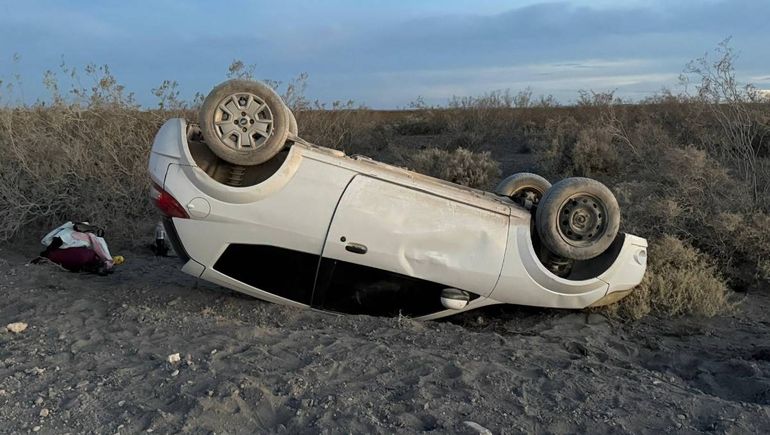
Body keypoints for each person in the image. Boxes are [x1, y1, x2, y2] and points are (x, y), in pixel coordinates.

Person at [40, 222, 115, 275]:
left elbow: (58, 241)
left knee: (86, 256)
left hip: (68, 255)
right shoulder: (91, 238)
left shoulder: (69, 232)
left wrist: (46, 253)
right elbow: (102, 250)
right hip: (80, 256)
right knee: (89, 256)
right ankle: (95, 268)